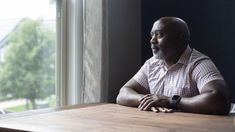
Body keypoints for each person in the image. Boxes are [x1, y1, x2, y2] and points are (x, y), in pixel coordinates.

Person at [116, 17, 230, 115]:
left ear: (179, 38)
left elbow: (219, 100)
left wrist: (171, 101)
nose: (152, 40)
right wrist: (147, 100)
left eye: (159, 34)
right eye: (152, 35)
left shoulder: (199, 63)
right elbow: (123, 93)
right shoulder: (151, 64)